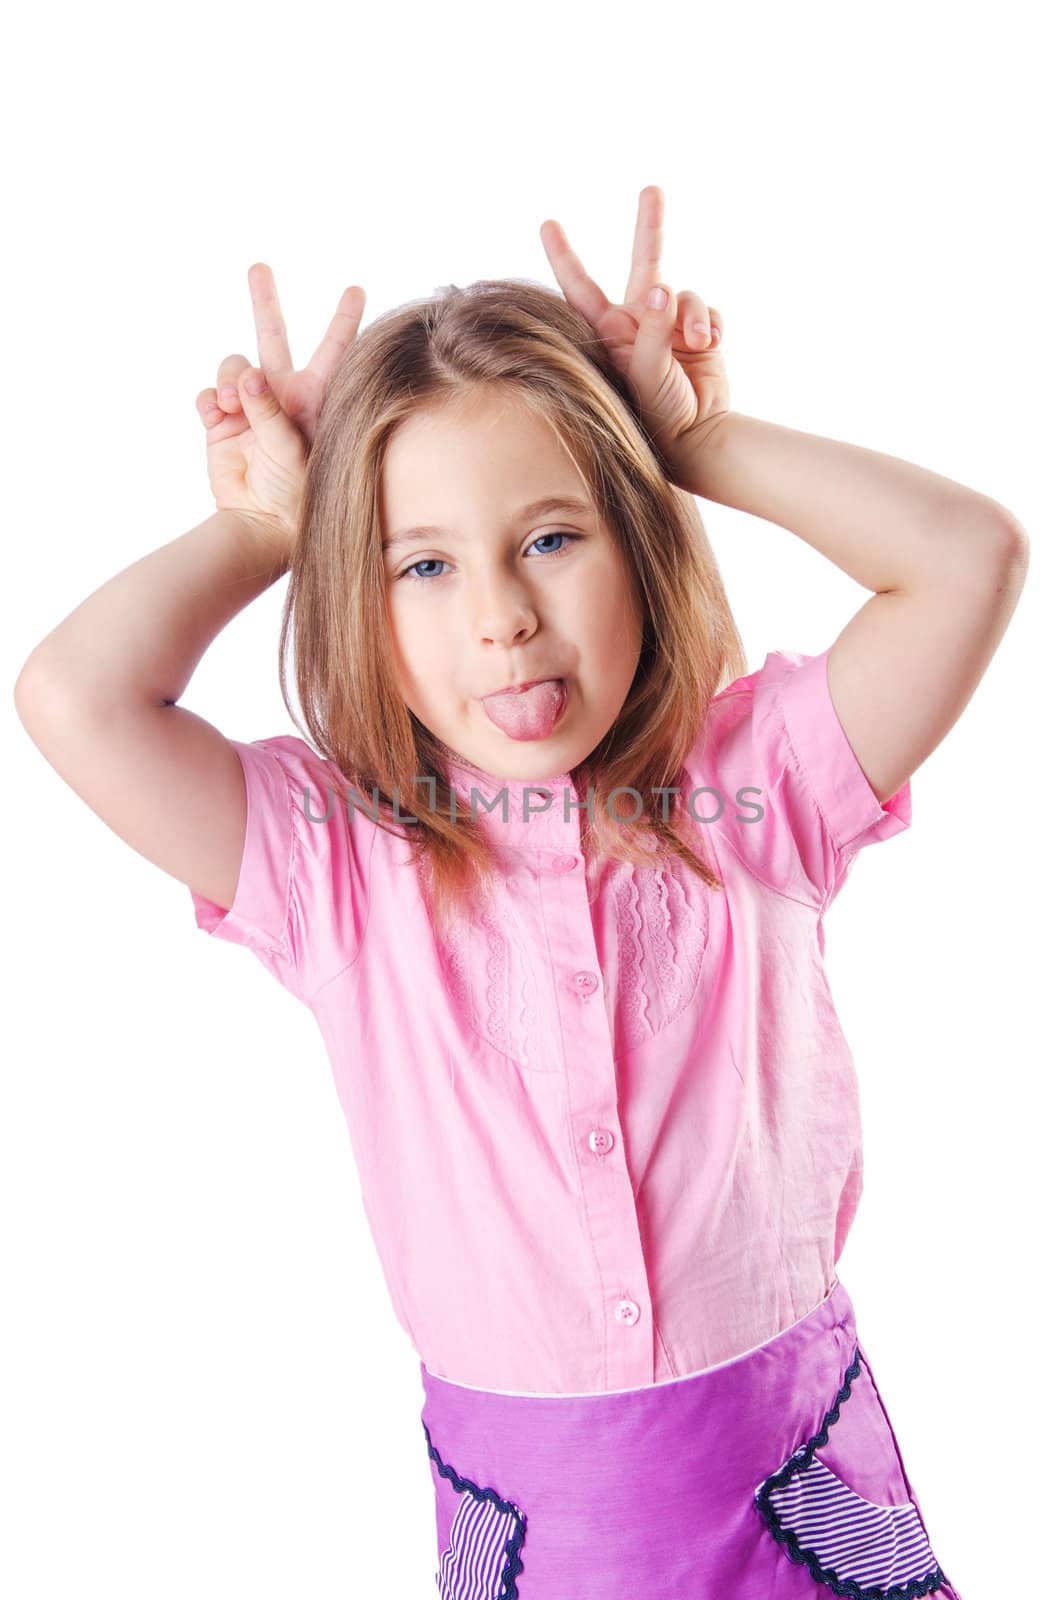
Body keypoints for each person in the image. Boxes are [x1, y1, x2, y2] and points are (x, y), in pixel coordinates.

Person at [14, 185, 1027, 1599]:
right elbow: (73, 698)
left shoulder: (756, 787)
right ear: (361, 601)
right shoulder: (340, 862)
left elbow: (968, 557)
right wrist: (263, 529)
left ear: (639, 539)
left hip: (804, 1505)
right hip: (537, 1540)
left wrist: (697, 440)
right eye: (422, 566)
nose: (498, 613)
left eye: (553, 537)